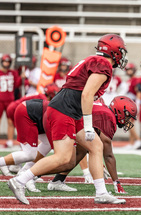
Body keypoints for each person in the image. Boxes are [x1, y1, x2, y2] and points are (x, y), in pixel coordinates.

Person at [7, 33, 128, 205]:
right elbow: (87, 94)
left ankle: (101, 192)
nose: (122, 56)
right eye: (121, 51)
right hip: (66, 109)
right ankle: (20, 180)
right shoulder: (103, 64)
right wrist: (88, 125)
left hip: (70, 108)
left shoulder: (94, 60)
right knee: (63, 158)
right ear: (114, 51)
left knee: (95, 146)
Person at [48, 96, 136, 194]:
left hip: (64, 115)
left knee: (81, 152)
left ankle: (57, 180)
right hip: (63, 119)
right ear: (119, 111)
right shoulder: (108, 118)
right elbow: (108, 156)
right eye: (127, 116)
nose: (128, 120)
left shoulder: (104, 111)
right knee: (64, 159)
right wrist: (117, 182)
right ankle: (31, 174)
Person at [0, 84, 55, 176]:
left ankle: (23, 168)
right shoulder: (43, 99)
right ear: (49, 95)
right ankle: (9, 163)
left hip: (23, 110)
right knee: (29, 151)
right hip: (20, 111)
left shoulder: (42, 97)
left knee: (43, 144)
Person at [0, 54, 22, 148]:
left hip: (10, 100)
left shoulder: (13, 73)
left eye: (8, 62)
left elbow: (17, 84)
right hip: (0, 100)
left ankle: (10, 140)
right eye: (5, 61)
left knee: (10, 121)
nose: (6, 63)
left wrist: (22, 77)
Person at [123, 63, 141, 149]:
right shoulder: (129, 80)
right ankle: (131, 143)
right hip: (129, 103)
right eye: (128, 70)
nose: (129, 71)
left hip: (133, 103)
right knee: (130, 123)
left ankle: (138, 140)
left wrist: (138, 104)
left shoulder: (135, 80)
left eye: (130, 69)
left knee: (128, 123)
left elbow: (138, 92)